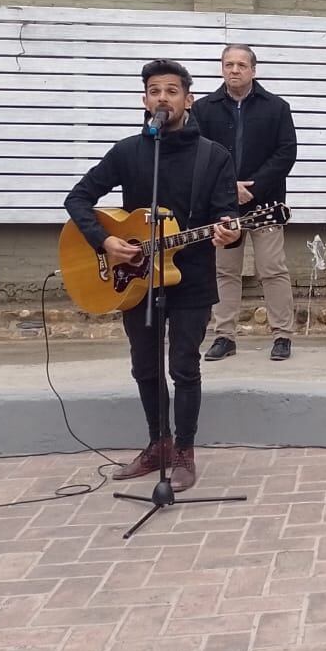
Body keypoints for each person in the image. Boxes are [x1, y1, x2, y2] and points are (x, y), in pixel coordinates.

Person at [64, 59, 240, 492]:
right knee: (144, 366)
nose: (163, 98)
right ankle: (158, 444)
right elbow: (78, 198)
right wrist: (104, 241)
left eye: (172, 91)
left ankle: (184, 452)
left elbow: (227, 217)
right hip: (136, 278)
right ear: (145, 101)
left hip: (191, 277)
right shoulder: (129, 151)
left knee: (183, 366)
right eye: (155, 91)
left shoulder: (213, 156)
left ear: (188, 100)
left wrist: (229, 232)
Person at [192, 44, 298, 362]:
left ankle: (282, 335)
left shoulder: (276, 107)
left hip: (266, 205)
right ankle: (224, 336)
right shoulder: (203, 109)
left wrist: (255, 186)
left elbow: (286, 152)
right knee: (225, 271)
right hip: (222, 206)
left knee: (273, 269)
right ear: (222, 68)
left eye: (241, 65)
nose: (234, 70)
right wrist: (228, 187)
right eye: (229, 64)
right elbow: (196, 154)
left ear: (253, 69)